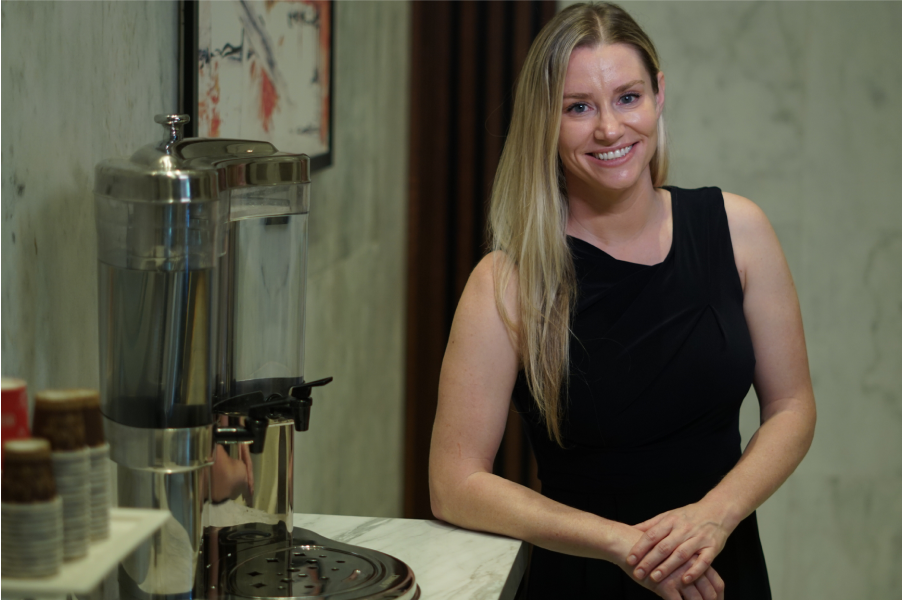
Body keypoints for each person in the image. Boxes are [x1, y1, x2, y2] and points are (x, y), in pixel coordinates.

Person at [428, 2, 816, 599]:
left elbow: (791, 406)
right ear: (544, 121)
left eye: (628, 98)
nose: (610, 129)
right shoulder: (506, 283)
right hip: (581, 578)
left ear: (659, 94)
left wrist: (715, 515)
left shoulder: (739, 230)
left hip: (720, 570)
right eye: (578, 108)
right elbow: (454, 483)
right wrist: (626, 546)